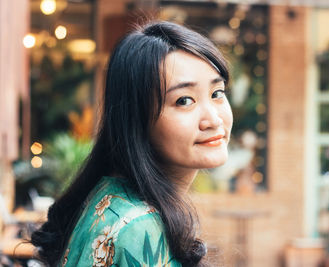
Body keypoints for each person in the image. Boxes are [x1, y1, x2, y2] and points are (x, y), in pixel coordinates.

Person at [30, 20, 233, 267]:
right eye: (184, 100)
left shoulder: (110, 194)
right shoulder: (140, 226)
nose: (213, 119)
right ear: (136, 118)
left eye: (217, 93)